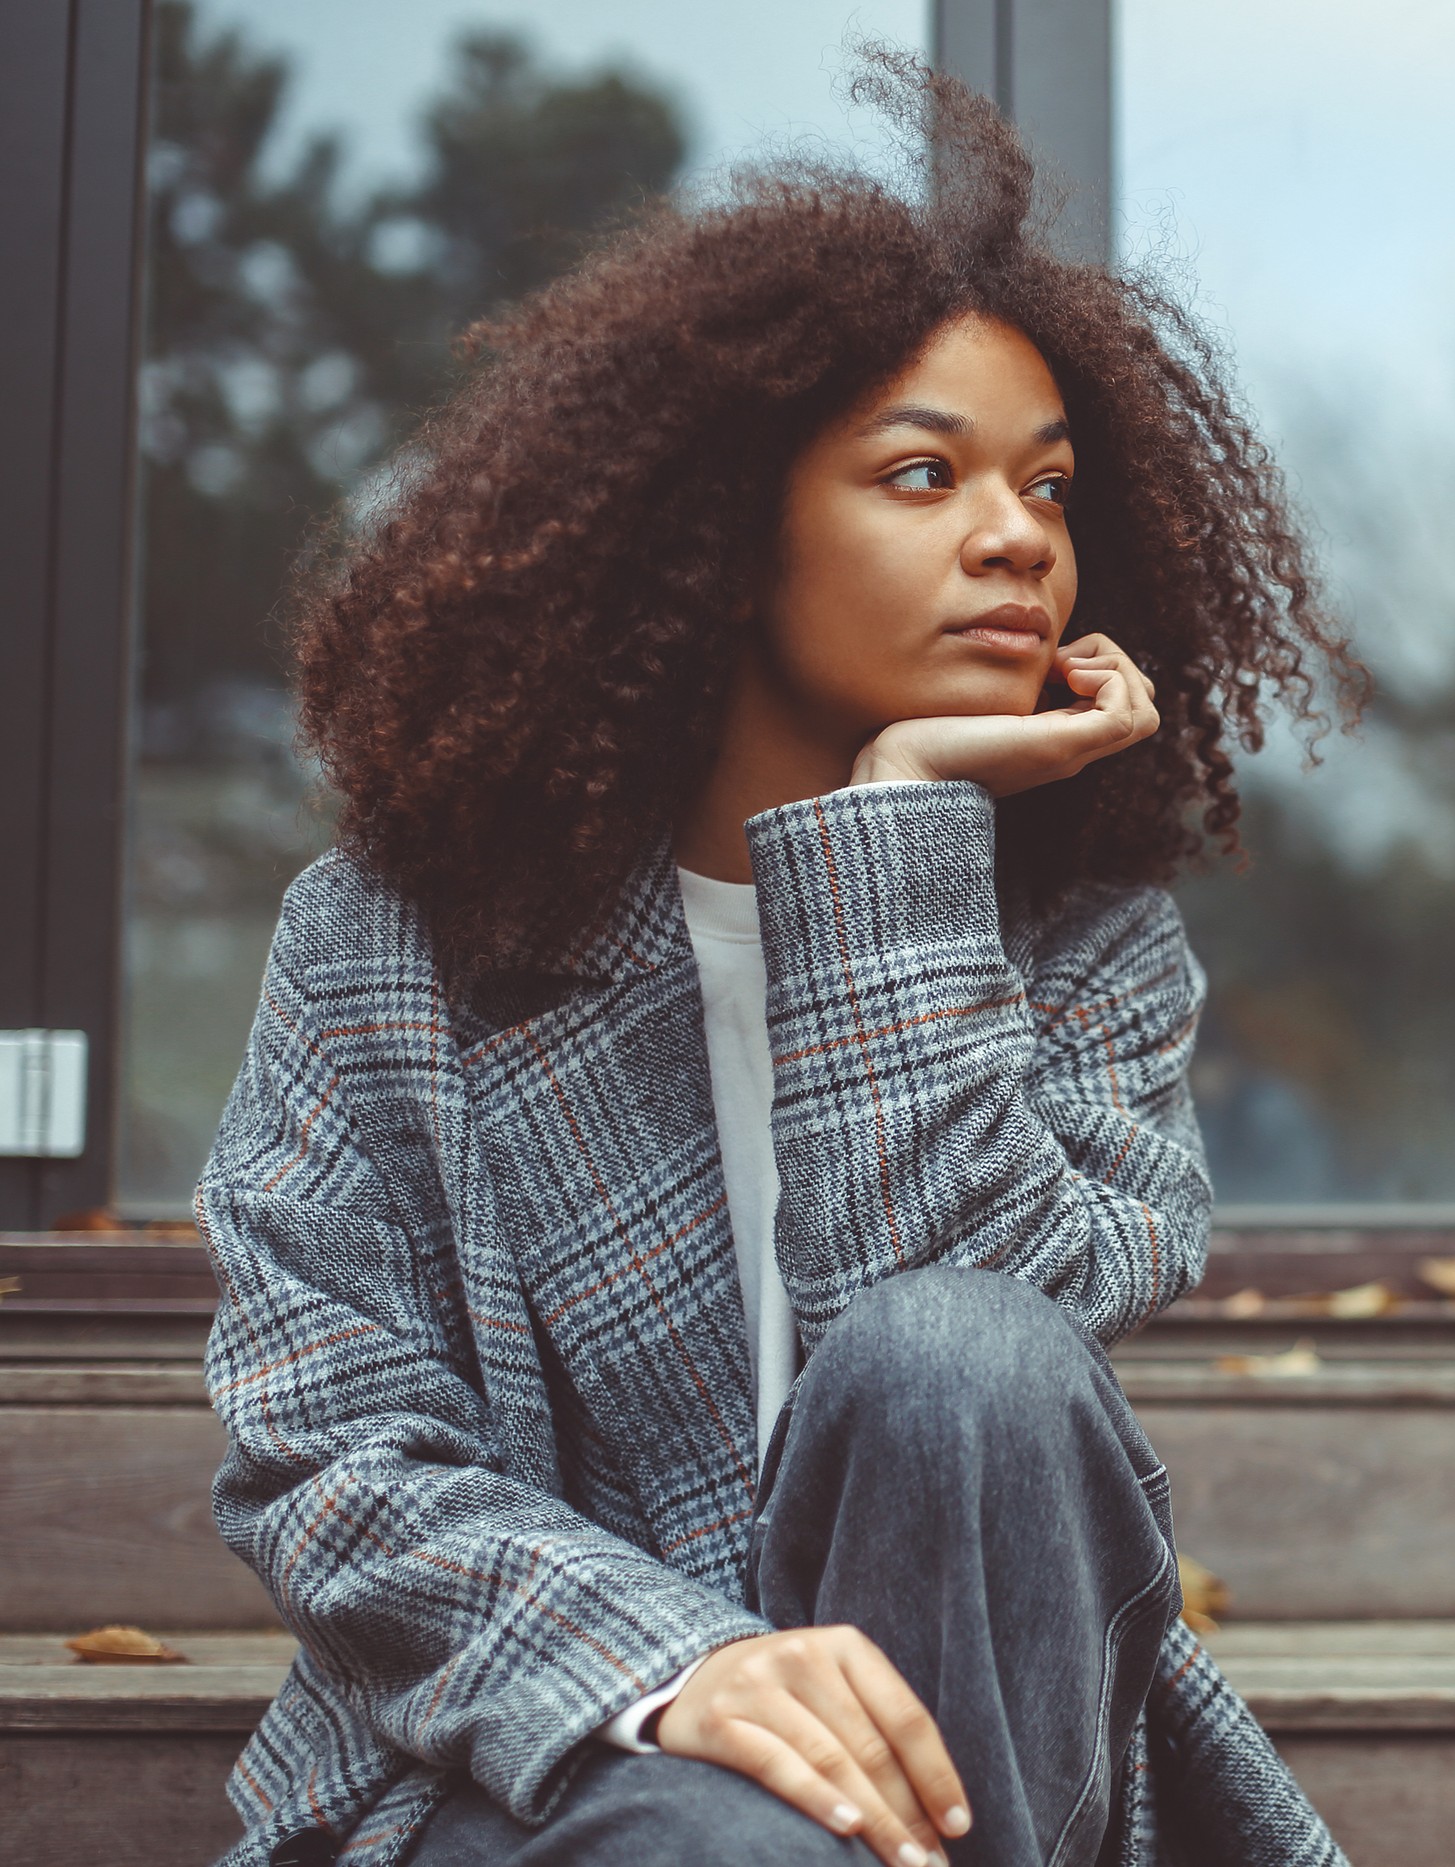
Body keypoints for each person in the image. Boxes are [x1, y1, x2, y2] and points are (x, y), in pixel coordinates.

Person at [196, 51, 1362, 1867]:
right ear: (729, 542)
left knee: (960, 1354)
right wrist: (687, 1667)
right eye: (923, 475)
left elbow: (991, 1384)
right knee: (734, 1845)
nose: (1015, 541)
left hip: (989, 1767)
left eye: (1051, 491)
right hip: (542, 1751)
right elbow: (329, 1450)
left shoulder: (1087, 953)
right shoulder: (400, 947)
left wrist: (896, 830)